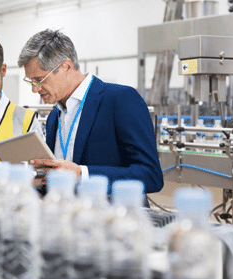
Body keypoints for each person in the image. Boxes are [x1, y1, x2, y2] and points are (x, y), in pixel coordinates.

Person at [17, 29, 163, 195]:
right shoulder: (54, 117)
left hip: (112, 216)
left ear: (66, 66)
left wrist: (82, 174)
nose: (35, 90)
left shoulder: (120, 100)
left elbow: (151, 175)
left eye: (40, 80)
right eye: (31, 82)